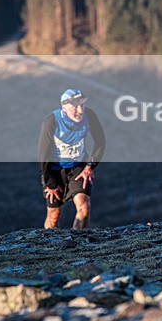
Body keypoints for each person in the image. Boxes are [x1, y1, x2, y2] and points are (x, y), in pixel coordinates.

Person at [37, 88, 106, 229]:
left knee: (84, 207)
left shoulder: (90, 116)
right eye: (75, 106)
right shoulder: (51, 121)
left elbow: (100, 142)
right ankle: (50, 247)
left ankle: (77, 245)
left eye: (82, 105)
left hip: (78, 168)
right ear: (64, 106)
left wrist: (90, 166)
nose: (80, 110)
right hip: (54, 170)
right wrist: (50, 183)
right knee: (54, 215)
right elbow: (42, 155)